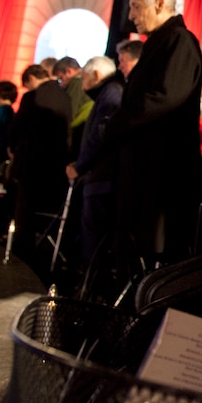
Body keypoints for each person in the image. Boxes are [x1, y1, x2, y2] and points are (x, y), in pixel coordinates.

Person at [105, 0, 202, 268]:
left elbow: (163, 97)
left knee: (153, 257)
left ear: (159, 4)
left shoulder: (179, 41)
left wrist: (115, 124)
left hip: (162, 175)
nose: (131, 15)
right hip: (147, 170)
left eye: (136, 7)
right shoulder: (161, 42)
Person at [65, 55, 124, 273]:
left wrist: (79, 166)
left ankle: (90, 285)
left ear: (96, 75)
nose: (82, 85)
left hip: (100, 176)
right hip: (101, 175)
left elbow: (98, 138)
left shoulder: (110, 94)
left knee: (94, 234)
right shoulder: (112, 92)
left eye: (84, 79)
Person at [8, 64, 71, 264]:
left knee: (25, 213)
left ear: (32, 78)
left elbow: (17, 128)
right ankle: (43, 254)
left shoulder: (31, 98)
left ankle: (20, 255)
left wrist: (11, 145)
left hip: (31, 164)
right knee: (44, 215)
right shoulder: (64, 96)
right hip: (55, 165)